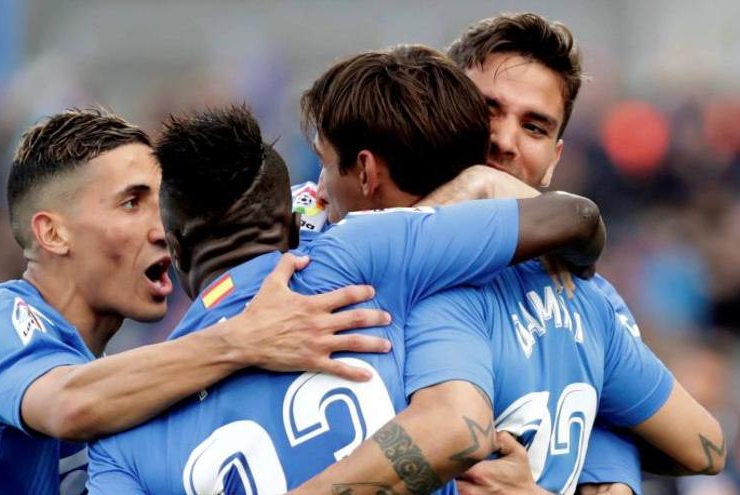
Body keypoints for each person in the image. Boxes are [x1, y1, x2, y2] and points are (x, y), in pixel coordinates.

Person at [85, 96, 607, 492]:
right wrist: (474, 188)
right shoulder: (363, 250)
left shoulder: (124, 431)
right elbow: (577, 219)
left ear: (174, 249)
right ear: (291, 227)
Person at [0, 109, 396, 494]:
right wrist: (241, 340)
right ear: (53, 233)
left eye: (162, 204)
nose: (160, 229)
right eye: (132, 202)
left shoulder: (121, 381)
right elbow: (70, 404)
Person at [287, 40, 722, 494]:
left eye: (534, 127)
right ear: (441, 104)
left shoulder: (569, 295)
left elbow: (705, 446)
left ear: (555, 159)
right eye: (489, 110)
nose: (503, 141)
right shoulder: (316, 215)